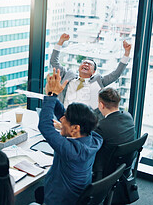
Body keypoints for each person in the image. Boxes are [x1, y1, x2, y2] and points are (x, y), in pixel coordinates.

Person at [35, 68, 103, 205]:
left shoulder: (72, 151)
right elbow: (62, 114)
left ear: (76, 128)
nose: (61, 120)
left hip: (59, 200)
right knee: (38, 192)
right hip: (74, 196)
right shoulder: (93, 138)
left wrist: (52, 96)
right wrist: (51, 94)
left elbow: (45, 126)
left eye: (65, 119)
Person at [50, 33, 132, 110]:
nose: (86, 64)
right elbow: (54, 62)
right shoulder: (68, 75)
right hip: (64, 116)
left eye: (89, 64)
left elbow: (115, 74)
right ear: (79, 68)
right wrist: (60, 42)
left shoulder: (98, 80)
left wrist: (126, 53)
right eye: (84, 63)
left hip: (86, 120)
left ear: (93, 72)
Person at [93, 87, 135, 180]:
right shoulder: (128, 116)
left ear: (101, 105)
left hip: (105, 171)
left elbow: (88, 146)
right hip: (123, 167)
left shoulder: (102, 126)